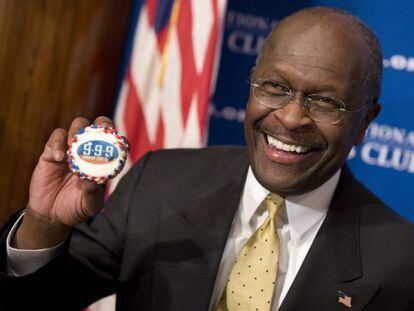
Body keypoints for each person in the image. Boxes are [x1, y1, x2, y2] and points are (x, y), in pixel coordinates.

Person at [1, 6, 414, 311]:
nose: (290, 117)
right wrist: (45, 225)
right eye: (274, 86)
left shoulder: (401, 263)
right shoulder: (159, 181)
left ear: (364, 122)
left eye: (325, 101)